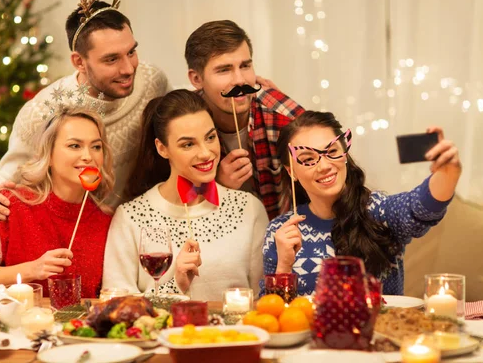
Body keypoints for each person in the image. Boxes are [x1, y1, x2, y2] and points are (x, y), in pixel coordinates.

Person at [0, 0, 171, 224]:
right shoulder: (42, 112)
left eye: (131, 52)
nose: (128, 68)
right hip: (75, 235)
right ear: (79, 62)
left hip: (141, 227)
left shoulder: (152, 81)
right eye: (111, 60)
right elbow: (10, 177)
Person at [262, 111, 461, 295]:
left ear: (344, 154)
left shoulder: (379, 211)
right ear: (291, 172)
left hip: (381, 331)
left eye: (331, 151)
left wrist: (448, 172)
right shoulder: (280, 231)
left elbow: (420, 207)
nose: (324, 166)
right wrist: (284, 267)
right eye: (308, 159)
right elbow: (272, 315)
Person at [104, 90, 267, 300]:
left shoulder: (249, 209)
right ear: (162, 149)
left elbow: (262, 301)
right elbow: (117, 305)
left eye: (210, 137)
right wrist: (175, 285)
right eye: (188, 144)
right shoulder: (130, 217)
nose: (206, 153)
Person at [0, 107, 114, 298]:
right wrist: (33, 269)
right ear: (49, 156)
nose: (89, 156)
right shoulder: (9, 205)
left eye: (96, 147)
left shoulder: (106, 221)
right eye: (75, 146)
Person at [185, 20, 305, 220]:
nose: (240, 80)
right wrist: (217, 188)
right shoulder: (184, 123)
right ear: (196, 79)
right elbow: (170, 202)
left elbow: (335, 173)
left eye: (245, 66)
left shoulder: (283, 116)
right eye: (224, 70)